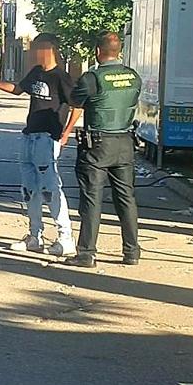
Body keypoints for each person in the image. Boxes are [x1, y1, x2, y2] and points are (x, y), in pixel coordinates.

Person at [0, 33, 78, 257]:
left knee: (51, 188)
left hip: (47, 138)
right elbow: (17, 88)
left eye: (38, 49)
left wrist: (66, 133)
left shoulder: (61, 77)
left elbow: (77, 105)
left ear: (50, 49)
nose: (34, 53)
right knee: (29, 189)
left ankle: (65, 237)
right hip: (30, 135)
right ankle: (35, 235)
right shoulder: (36, 73)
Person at [67, 32, 142, 268]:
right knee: (126, 198)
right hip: (125, 143)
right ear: (119, 51)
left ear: (98, 51)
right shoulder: (133, 76)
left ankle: (86, 253)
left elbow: (74, 100)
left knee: (92, 199)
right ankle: (132, 252)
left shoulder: (93, 78)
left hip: (97, 145)